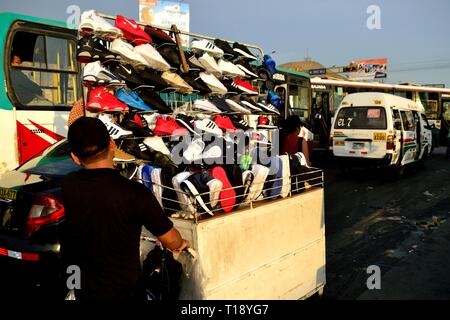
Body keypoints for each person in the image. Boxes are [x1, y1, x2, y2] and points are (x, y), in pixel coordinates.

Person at [61, 117, 189, 301]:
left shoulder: (68, 185)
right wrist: (180, 243)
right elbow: (170, 239)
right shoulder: (135, 193)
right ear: (112, 144)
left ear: (74, 157)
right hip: (125, 292)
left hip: (85, 290)